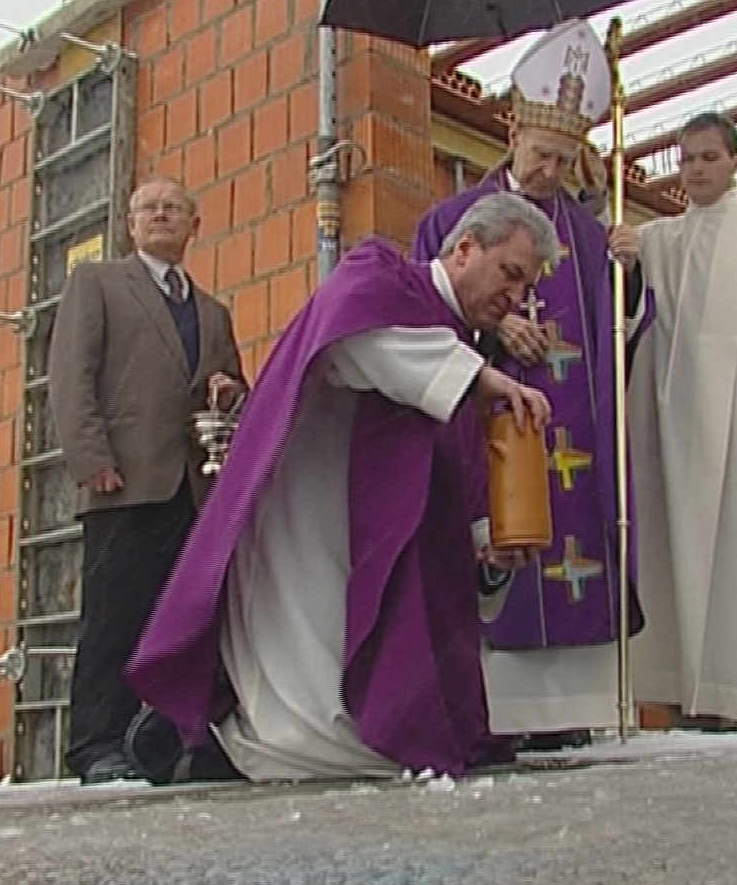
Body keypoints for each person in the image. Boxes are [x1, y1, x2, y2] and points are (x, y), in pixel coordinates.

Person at [124, 192, 555, 783]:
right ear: (464, 248)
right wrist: (479, 376)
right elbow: (356, 336)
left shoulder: (460, 352)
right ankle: (219, 747)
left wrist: (490, 546)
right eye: (510, 272)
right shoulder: (383, 273)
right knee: (307, 682)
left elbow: (461, 470)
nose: (515, 296)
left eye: (525, 285)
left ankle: (233, 746)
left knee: (390, 717)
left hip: (370, 537)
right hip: (309, 518)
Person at [410, 19, 645, 752]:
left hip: (575, 428)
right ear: (513, 133)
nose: (550, 170)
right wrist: (496, 328)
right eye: (542, 153)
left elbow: (625, 332)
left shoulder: (590, 232)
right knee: (491, 543)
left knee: (574, 545)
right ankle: (497, 717)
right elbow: (420, 316)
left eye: (565, 158)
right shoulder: (452, 221)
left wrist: (629, 273)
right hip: (487, 419)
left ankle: (572, 713)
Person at [608, 111, 737, 729]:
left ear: (735, 162)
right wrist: (625, 259)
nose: (696, 170)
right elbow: (631, 308)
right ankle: (676, 694)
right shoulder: (659, 239)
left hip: (736, 421)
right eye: (687, 159)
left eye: (708, 157)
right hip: (667, 422)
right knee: (667, 552)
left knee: (735, 555)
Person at [46, 174, 246, 784]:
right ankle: (97, 746)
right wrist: (90, 458)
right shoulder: (98, 284)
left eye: (173, 208)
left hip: (194, 490)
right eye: (148, 208)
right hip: (122, 481)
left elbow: (232, 388)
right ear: (131, 224)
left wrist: (228, 390)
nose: (161, 215)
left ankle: (175, 746)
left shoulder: (213, 312)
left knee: (187, 620)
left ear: (194, 226)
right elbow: (71, 374)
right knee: (113, 619)